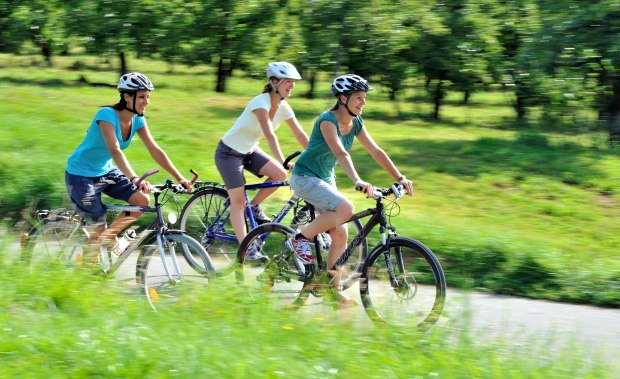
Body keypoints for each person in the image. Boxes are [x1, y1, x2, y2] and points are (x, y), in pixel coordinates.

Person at [288, 74, 414, 306]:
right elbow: (340, 153)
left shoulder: (356, 123)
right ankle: (300, 239)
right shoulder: (328, 121)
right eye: (358, 97)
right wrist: (357, 180)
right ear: (343, 98)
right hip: (305, 177)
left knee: (341, 234)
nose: (363, 102)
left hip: (324, 178)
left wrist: (400, 177)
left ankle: (331, 291)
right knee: (346, 208)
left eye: (364, 98)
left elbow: (376, 151)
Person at [65, 72, 192, 263]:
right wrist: (134, 178)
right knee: (99, 228)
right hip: (80, 175)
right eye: (142, 97)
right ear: (126, 96)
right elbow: (115, 150)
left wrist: (180, 178)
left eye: (148, 97)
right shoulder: (106, 115)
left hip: (105, 171)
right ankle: (91, 266)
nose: (146, 102)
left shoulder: (138, 120)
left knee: (141, 200)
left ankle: (106, 241)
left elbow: (155, 150)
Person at [214, 62, 309, 262]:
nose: (291, 86)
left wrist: (316, 156)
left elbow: (300, 135)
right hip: (228, 153)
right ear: (274, 82)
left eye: (293, 82)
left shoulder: (283, 107)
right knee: (239, 202)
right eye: (287, 82)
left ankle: (255, 206)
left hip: (249, 150)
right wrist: (283, 160)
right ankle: (246, 249)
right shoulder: (261, 102)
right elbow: (270, 136)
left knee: (279, 175)